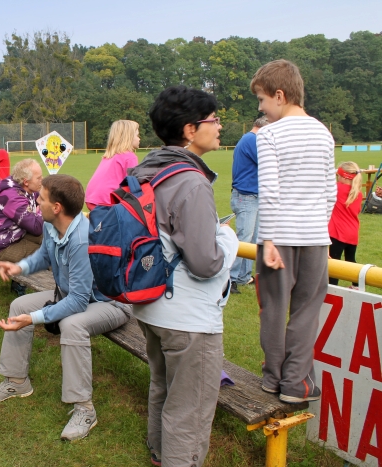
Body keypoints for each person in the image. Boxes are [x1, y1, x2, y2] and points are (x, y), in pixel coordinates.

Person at [127, 85, 239, 467]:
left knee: (163, 385)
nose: (219, 126)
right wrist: (228, 240)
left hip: (150, 304)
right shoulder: (191, 181)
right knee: (188, 408)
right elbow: (205, 263)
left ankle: (160, 454)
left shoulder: (146, 169)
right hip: (187, 317)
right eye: (214, 119)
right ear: (190, 130)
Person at [0, 174, 131, 441]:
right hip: (73, 295)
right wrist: (19, 267)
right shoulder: (51, 225)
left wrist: (34, 318)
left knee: (72, 324)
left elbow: (78, 301)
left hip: (109, 303)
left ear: (57, 207)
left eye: (41, 198)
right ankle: (17, 382)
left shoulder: (81, 239)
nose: (36, 202)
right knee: (19, 304)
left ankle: (84, 409)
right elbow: (45, 255)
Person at [251, 59, 336, 403]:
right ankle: (296, 383)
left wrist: (269, 238)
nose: (260, 108)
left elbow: (269, 191)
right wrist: (320, 231)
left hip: (278, 238)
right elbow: (330, 193)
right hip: (315, 238)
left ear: (279, 95)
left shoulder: (269, 134)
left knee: (273, 309)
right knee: (307, 311)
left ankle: (273, 378)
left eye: (261, 99)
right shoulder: (324, 132)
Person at [229, 116, 269, 294]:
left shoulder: (250, 139)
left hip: (253, 195)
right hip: (246, 196)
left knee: (253, 239)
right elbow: (267, 162)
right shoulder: (252, 140)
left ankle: (243, 276)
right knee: (244, 238)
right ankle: (231, 278)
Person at [0, 159, 44, 263]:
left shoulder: (25, 189)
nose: (42, 180)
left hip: (13, 237)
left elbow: (40, 197)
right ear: (26, 182)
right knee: (47, 252)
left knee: (50, 237)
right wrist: (44, 205)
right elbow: (36, 228)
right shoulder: (14, 198)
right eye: (39, 178)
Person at [85, 120, 140, 210]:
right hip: (107, 201)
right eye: (137, 135)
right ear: (129, 137)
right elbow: (133, 185)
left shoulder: (110, 156)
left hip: (92, 199)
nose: (139, 139)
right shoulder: (130, 157)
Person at [328, 162, 363, 287]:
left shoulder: (336, 188)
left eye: (338, 175)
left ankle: (332, 289)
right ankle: (357, 286)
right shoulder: (358, 193)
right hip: (352, 232)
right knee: (351, 260)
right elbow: (357, 210)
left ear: (343, 176)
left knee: (334, 263)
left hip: (337, 232)